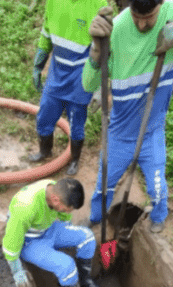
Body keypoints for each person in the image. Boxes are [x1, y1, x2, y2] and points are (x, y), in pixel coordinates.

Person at [83, 0, 173, 233]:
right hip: (119, 136)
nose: (143, 25)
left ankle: (158, 216)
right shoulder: (116, 30)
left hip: (151, 133)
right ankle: (97, 217)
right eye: (136, 17)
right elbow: (88, 84)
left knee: (157, 188)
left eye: (150, 17)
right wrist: (96, 49)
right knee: (104, 185)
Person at [30, 0, 107, 175]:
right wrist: (38, 65)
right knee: (44, 116)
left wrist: (99, 87)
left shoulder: (98, 5)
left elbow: (105, 49)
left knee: (76, 124)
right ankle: (45, 151)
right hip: (57, 74)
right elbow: (46, 34)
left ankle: (74, 160)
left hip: (81, 78)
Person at [2, 178, 105, 287]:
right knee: (67, 265)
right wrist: (16, 270)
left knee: (87, 237)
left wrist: (67, 230)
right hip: (29, 242)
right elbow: (10, 243)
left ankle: (85, 280)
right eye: (68, 208)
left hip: (47, 229)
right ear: (56, 199)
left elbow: (64, 216)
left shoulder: (55, 188)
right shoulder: (25, 208)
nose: (69, 211)